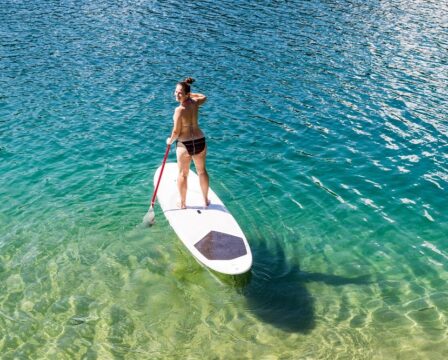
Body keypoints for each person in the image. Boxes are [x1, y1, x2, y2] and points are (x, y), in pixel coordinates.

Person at [166, 77, 209, 209]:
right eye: (176, 92)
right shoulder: (195, 103)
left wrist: (169, 141)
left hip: (185, 145)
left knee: (183, 174)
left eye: (180, 92)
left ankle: (183, 203)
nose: (176, 95)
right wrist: (190, 95)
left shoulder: (179, 110)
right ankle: (205, 200)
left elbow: (176, 132)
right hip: (200, 141)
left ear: (186, 94)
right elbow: (204, 97)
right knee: (201, 172)